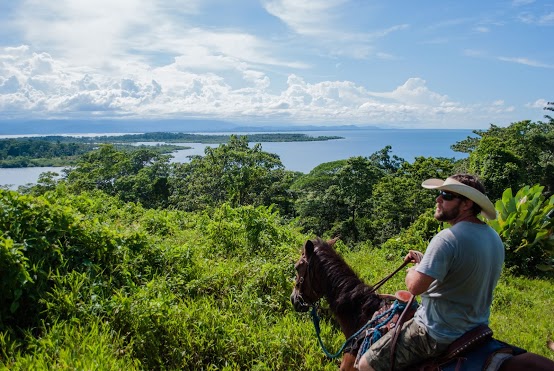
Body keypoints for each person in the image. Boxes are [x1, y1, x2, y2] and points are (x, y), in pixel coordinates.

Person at [358, 174, 505, 371]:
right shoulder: (493, 237)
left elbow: (415, 287)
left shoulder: (447, 238)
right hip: (475, 328)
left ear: (467, 204)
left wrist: (413, 270)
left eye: (446, 195)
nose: (438, 199)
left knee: (365, 364)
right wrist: (424, 262)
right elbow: (459, 274)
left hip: (436, 332)